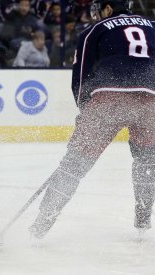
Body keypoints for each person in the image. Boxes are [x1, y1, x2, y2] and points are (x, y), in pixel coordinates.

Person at [29, 0, 155, 239]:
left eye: (100, 9)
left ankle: (40, 224)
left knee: (73, 167)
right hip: (151, 99)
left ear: (108, 9)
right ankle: (142, 222)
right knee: (147, 164)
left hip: (109, 100)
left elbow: (81, 77)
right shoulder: (152, 25)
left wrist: (85, 111)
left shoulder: (95, 30)